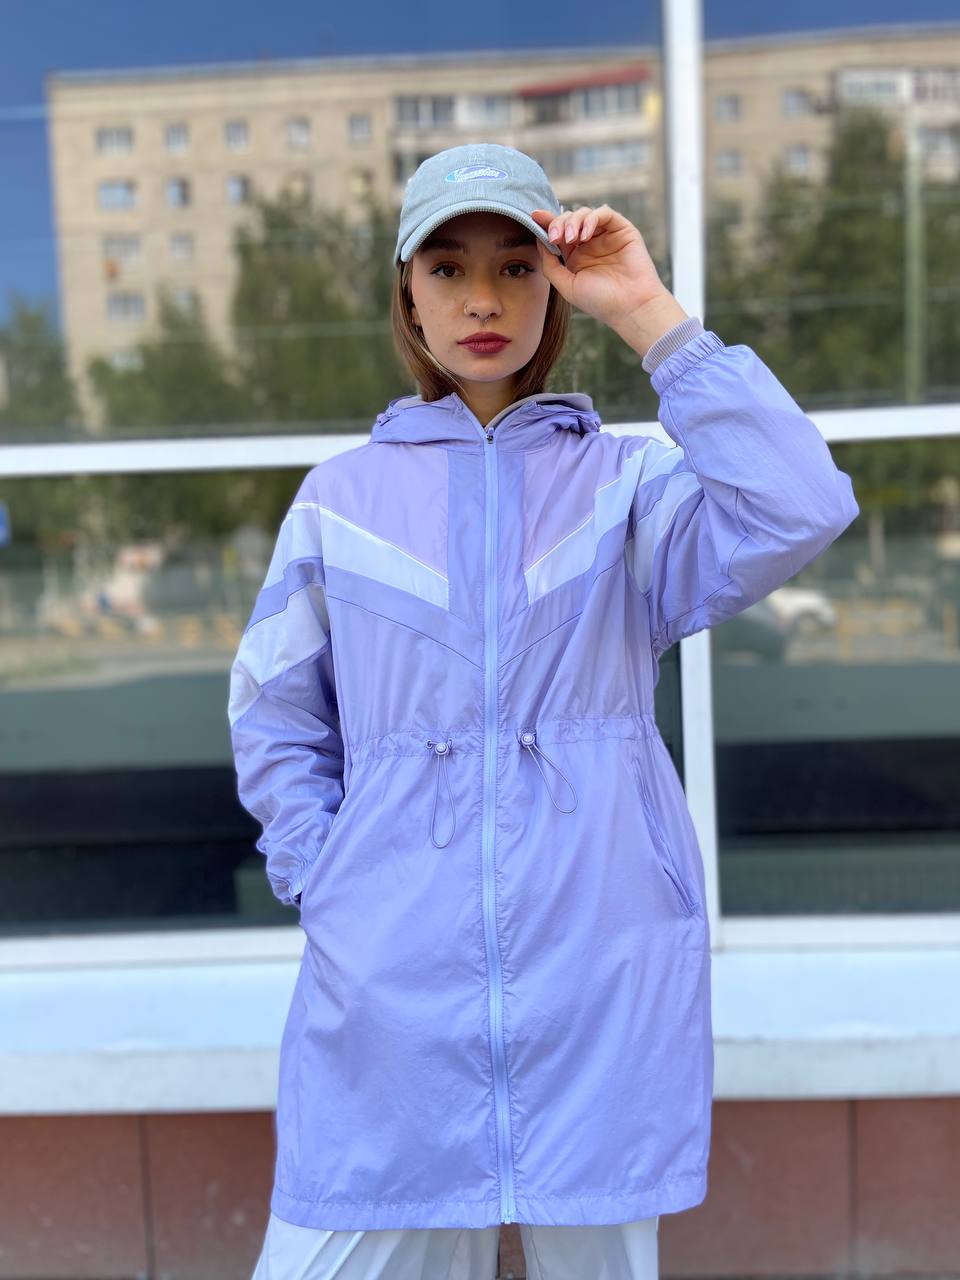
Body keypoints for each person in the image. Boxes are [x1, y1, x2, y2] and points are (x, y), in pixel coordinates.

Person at [230, 143, 860, 1279]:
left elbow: (800, 502)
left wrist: (650, 313)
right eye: (448, 267)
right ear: (408, 294)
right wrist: (329, 878)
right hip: (391, 981)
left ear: (555, 289)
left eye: (516, 267)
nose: (482, 298)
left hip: (599, 963)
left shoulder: (628, 486)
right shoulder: (339, 503)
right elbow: (276, 714)